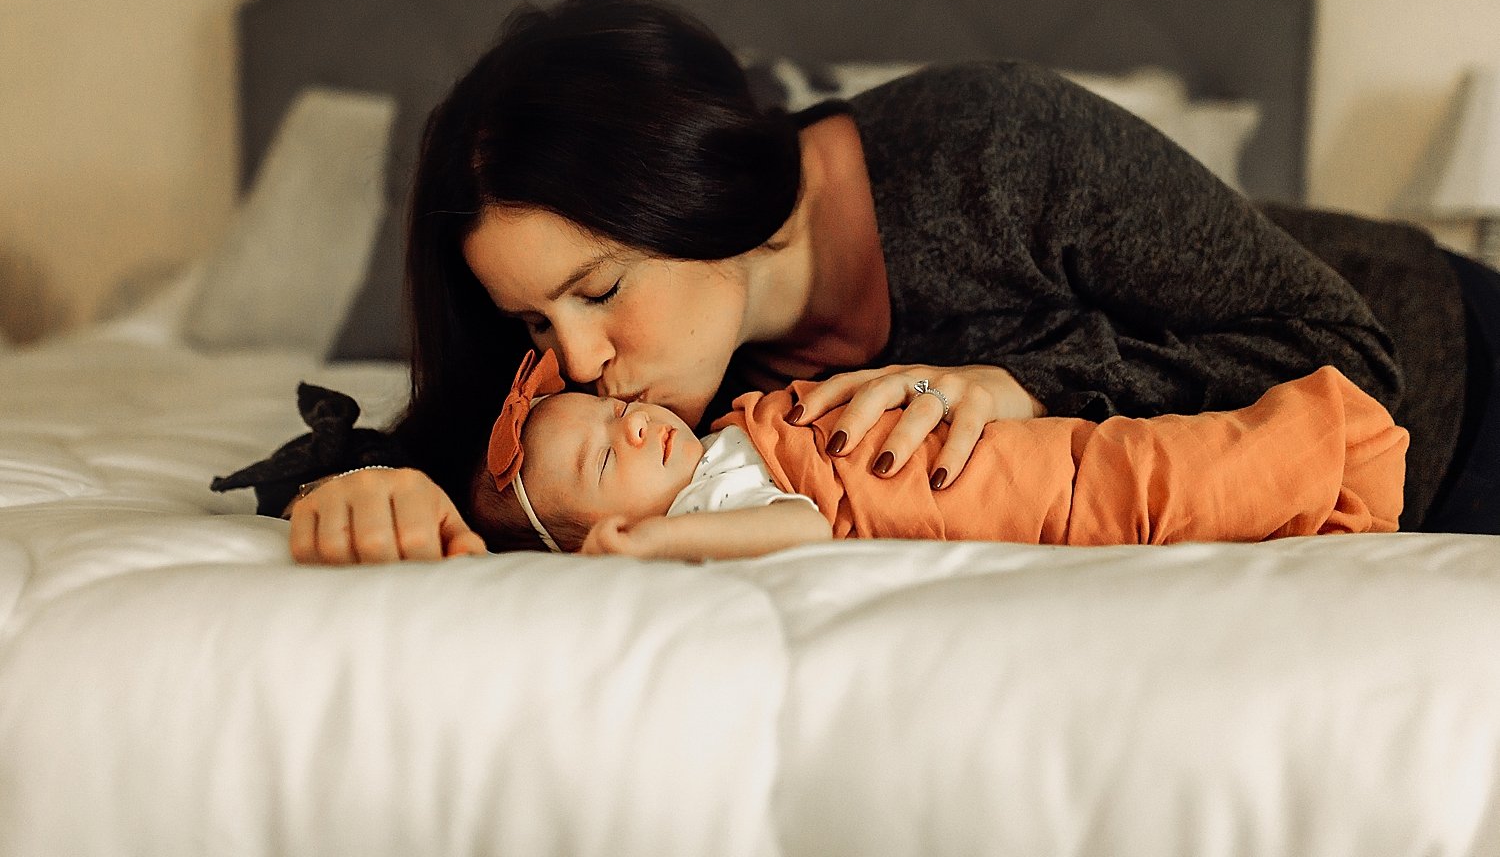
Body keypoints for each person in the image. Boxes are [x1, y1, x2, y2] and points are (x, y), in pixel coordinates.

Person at [270, 0, 1497, 566]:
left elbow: (1351, 361)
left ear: (697, 197)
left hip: (1452, 378)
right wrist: (371, 480)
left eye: (598, 287)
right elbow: (505, 461)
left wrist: (1028, 387)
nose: (580, 360)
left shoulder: (995, 146)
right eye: (535, 318)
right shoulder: (658, 382)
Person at [470, 349, 1405, 562]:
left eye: (615, 408)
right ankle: (1330, 459)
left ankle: (1325, 455)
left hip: (1011, 451)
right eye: (605, 459)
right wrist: (656, 547)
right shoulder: (711, 502)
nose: (633, 423)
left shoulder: (726, 437)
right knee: (1156, 487)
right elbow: (799, 525)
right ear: (617, 524)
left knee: (1141, 463)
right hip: (1013, 497)